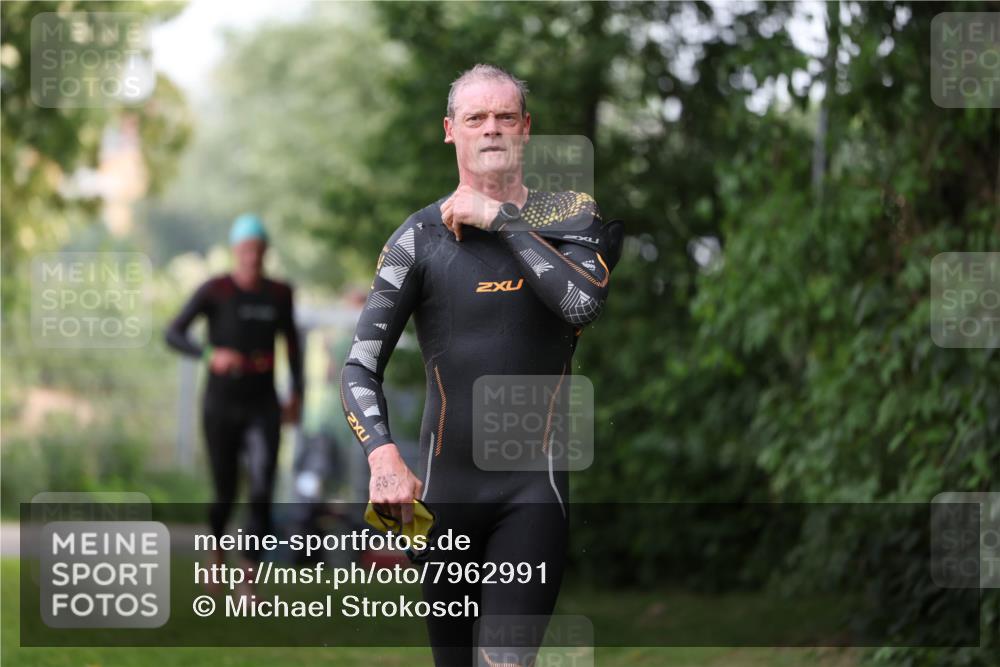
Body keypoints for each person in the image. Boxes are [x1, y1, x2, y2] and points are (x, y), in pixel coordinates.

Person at [340, 64, 623, 666]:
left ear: (526, 128)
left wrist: (501, 219)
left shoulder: (572, 216)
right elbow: (359, 367)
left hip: (533, 492)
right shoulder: (417, 239)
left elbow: (582, 302)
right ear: (451, 131)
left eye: (504, 117)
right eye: (476, 118)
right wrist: (383, 456)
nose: (491, 129)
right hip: (446, 499)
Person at [166, 214, 304, 590]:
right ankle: (215, 555)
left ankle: (247, 576)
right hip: (221, 403)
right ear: (235, 251)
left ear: (265, 253)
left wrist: (297, 396)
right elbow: (173, 333)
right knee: (225, 488)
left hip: (263, 403)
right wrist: (209, 354)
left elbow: (293, 348)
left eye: (257, 251)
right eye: (245, 250)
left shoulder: (279, 294)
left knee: (261, 486)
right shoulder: (215, 290)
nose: (251, 257)